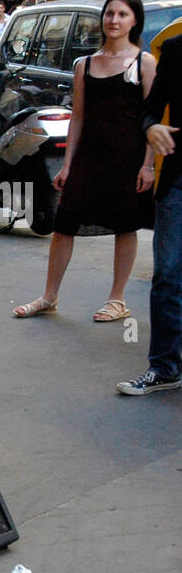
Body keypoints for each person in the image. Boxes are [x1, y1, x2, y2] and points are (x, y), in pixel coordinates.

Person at [14, 0, 155, 323]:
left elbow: (153, 115)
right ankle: (49, 296)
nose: (114, 20)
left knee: (125, 225)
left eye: (122, 14)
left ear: (134, 21)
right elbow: (77, 116)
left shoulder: (144, 62)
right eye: (110, 14)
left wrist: (148, 164)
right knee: (64, 223)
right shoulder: (85, 65)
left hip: (127, 157)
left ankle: (117, 299)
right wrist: (67, 164)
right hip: (89, 155)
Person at [118, 30, 182, 394]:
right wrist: (151, 126)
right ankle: (165, 367)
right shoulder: (174, 50)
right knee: (168, 274)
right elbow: (149, 108)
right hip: (178, 179)